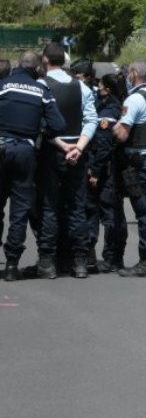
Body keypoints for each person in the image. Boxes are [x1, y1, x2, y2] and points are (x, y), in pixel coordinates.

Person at [0, 51, 66, 281]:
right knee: (19, 211)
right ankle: (11, 265)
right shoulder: (42, 90)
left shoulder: (3, 85)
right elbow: (58, 124)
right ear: (38, 68)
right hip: (26, 151)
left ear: (18, 65)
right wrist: (38, 130)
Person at [35, 42, 98, 279]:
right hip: (77, 152)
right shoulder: (81, 87)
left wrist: (61, 145)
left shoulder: (41, 86)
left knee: (50, 207)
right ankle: (79, 262)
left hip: (53, 151)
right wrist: (79, 148)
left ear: (45, 61)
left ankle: (47, 262)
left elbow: (40, 123)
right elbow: (91, 120)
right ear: (64, 60)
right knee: (76, 207)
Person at [112, 59, 146, 277]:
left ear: (133, 73)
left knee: (144, 211)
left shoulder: (134, 99)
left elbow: (122, 133)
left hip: (141, 162)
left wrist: (109, 127)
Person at [85, 72, 128, 272]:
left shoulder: (108, 112)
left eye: (100, 86)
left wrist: (95, 172)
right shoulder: (114, 106)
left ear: (107, 89)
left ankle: (111, 257)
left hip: (105, 169)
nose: (97, 88)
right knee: (112, 212)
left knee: (108, 213)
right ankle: (110, 256)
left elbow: (103, 146)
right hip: (109, 168)